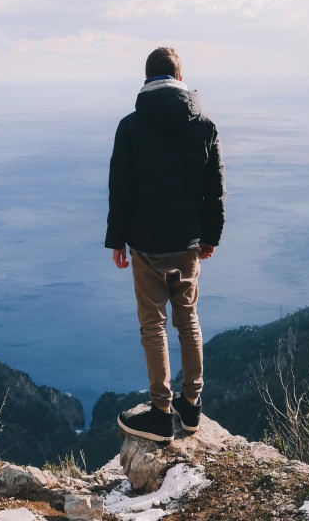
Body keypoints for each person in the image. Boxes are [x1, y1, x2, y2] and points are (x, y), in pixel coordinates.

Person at [105, 46, 226, 442]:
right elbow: (215, 191)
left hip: (145, 244)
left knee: (152, 325)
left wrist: (116, 240)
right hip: (188, 244)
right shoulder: (204, 126)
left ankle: (160, 412)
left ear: (146, 79)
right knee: (188, 320)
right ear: (180, 76)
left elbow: (120, 189)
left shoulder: (131, 126)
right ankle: (191, 408)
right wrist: (210, 238)